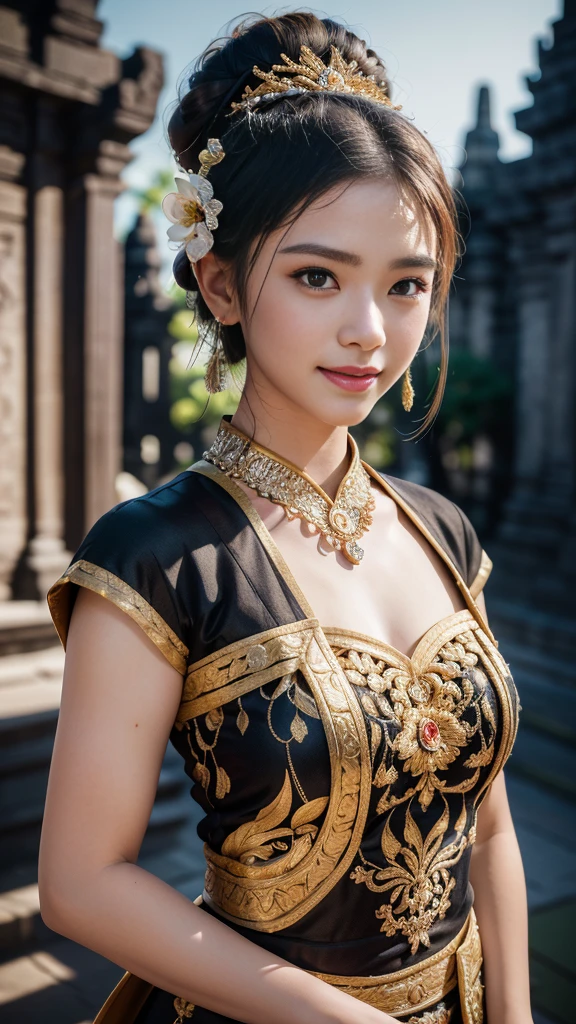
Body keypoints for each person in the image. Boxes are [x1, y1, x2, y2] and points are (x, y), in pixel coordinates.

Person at [39, 12, 532, 1024]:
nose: (371, 331)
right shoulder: (157, 556)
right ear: (220, 283)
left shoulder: (445, 533)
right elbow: (81, 880)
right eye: (317, 276)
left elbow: (486, 829)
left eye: (407, 286)